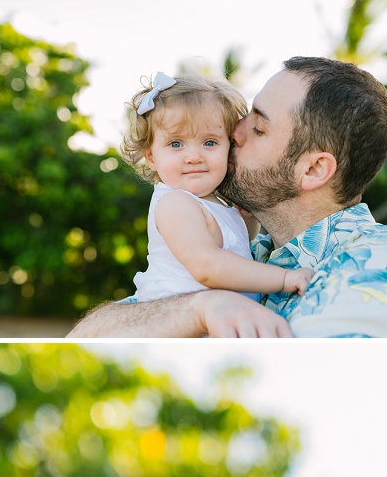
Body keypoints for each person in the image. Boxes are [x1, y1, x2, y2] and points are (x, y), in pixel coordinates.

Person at [70, 60, 387, 340]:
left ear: (312, 170)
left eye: (257, 126)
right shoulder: (256, 252)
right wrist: (199, 309)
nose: (232, 133)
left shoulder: (382, 266)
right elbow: (85, 337)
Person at [120, 74, 308, 307]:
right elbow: (207, 267)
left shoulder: (215, 202)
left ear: (229, 146)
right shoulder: (175, 204)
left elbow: (239, 245)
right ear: (151, 157)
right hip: (180, 322)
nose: (193, 157)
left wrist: (246, 217)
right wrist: (284, 278)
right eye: (176, 144)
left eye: (209, 142)